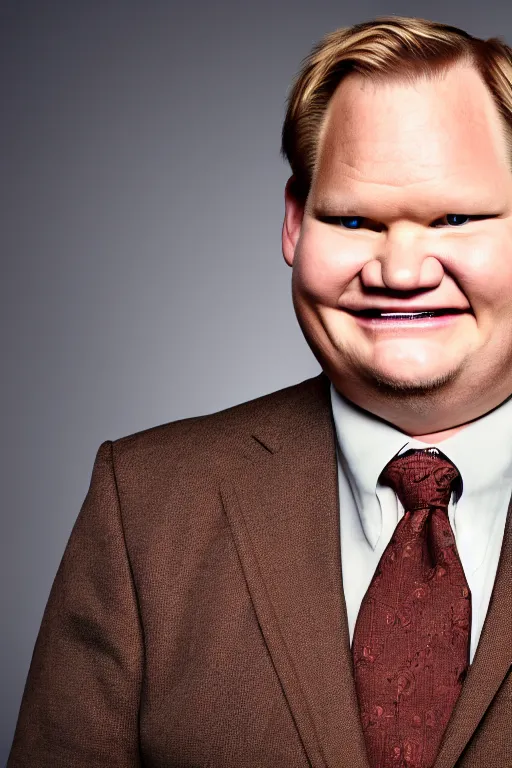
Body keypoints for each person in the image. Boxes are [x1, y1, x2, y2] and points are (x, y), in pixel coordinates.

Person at [7, 15, 512, 768]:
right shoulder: (145, 507)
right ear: (293, 225)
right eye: (352, 218)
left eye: (455, 218)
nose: (401, 272)